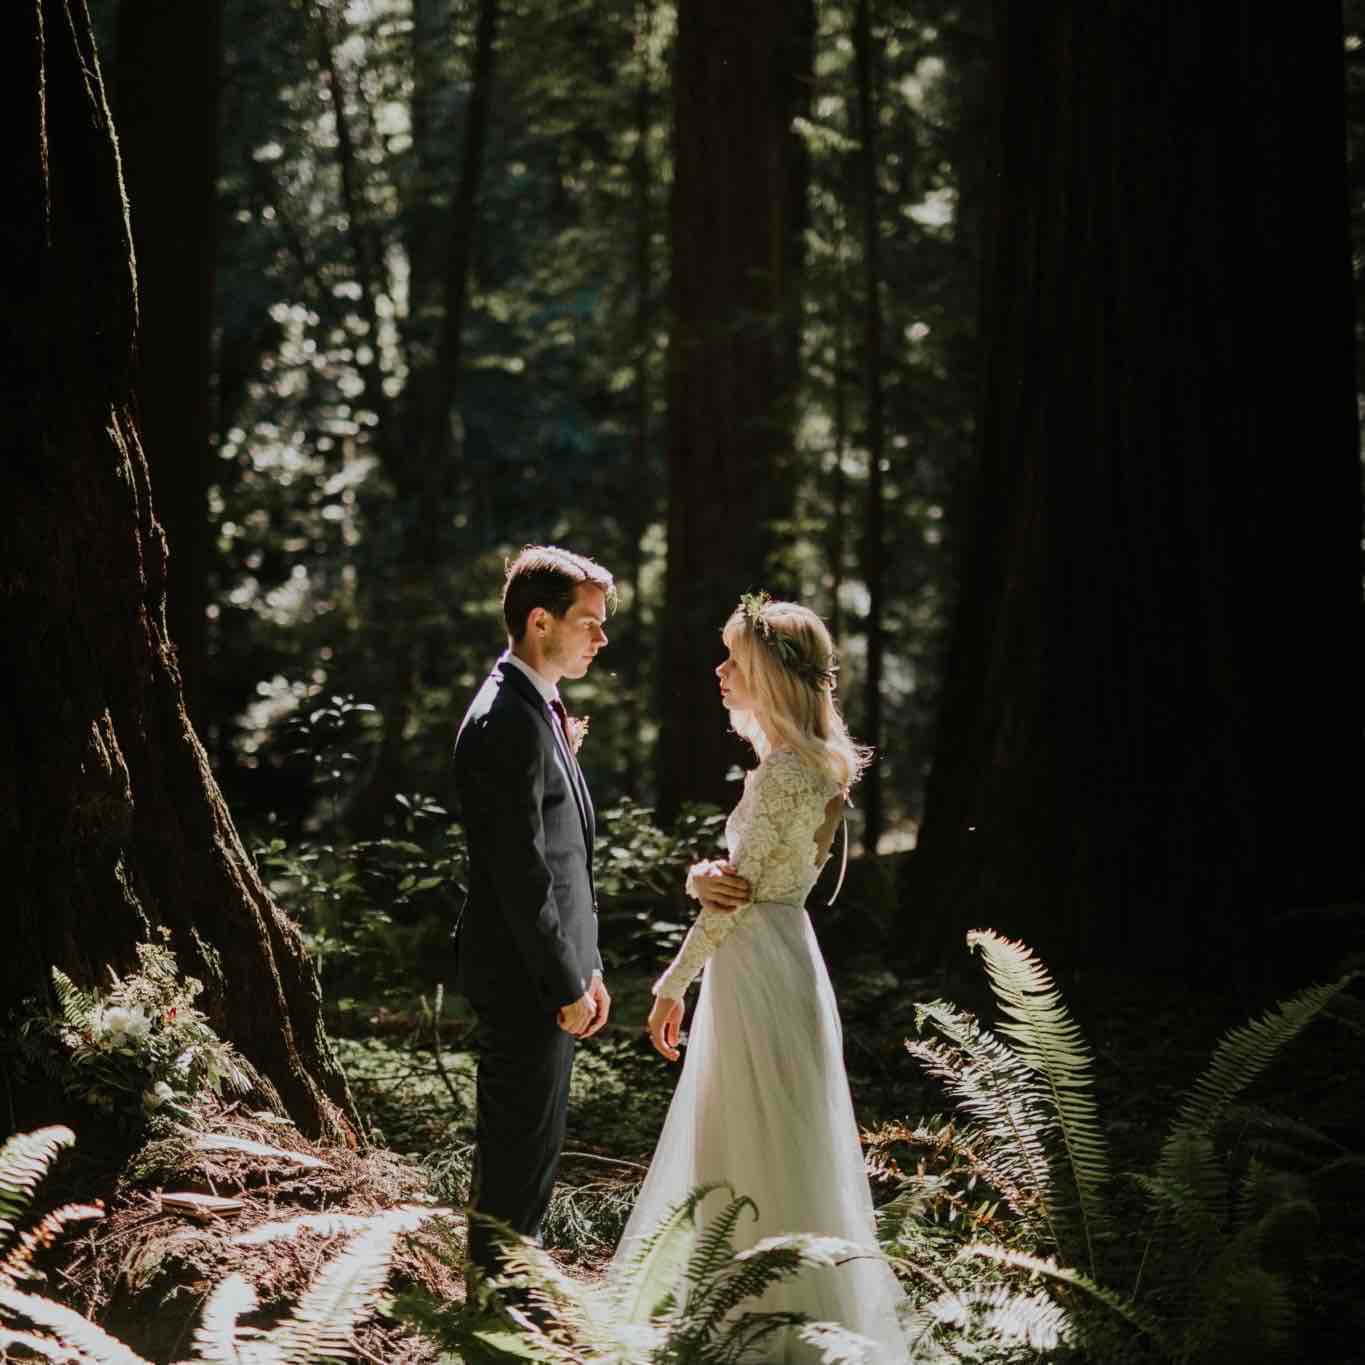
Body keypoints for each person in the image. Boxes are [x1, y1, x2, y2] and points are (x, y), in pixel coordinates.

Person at [613, 593, 906, 1361]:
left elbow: (735, 897)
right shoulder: (809, 762)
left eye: (732, 658)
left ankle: (754, 1328)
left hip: (755, 963)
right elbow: (747, 880)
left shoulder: (783, 770)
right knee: (774, 1136)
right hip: (779, 956)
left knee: (749, 1136)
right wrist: (702, 875)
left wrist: (670, 983)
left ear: (769, 674)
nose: (718, 670)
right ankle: (777, 1317)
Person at [452, 545, 615, 1289]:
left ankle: (517, 1288)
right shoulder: (503, 720)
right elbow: (521, 876)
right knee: (516, 1150)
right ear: (538, 620)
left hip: (553, 970)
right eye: (588, 622)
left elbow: (567, 857)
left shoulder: (539, 708)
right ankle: (498, 1300)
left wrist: (591, 966)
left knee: (534, 1147)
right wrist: (561, 982)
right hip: (524, 977)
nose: (600, 639)